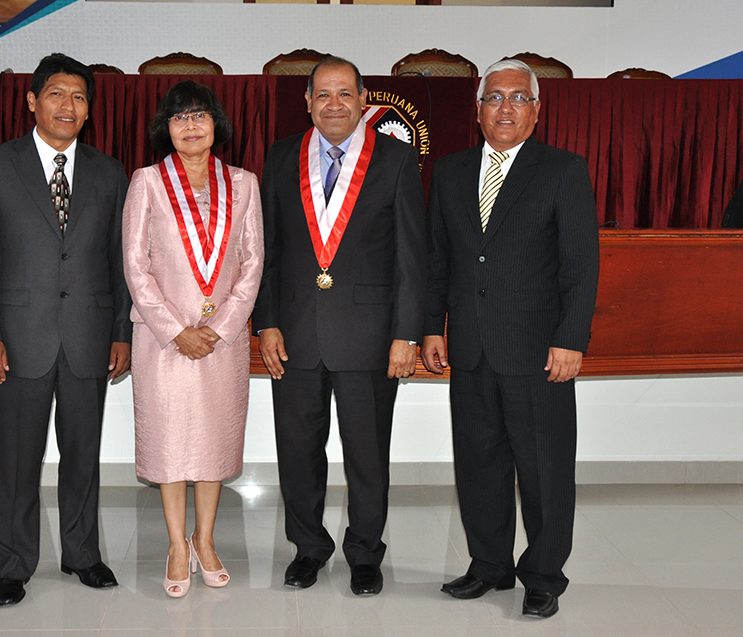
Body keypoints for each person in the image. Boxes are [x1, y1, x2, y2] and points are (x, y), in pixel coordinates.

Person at [421, 59, 600, 618]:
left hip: (537, 351)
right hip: (471, 347)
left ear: (537, 110)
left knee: (545, 470)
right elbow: (437, 260)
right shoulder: (450, 172)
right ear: (477, 110)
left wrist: (570, 338)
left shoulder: (563, 170)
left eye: (518, 99)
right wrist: (431, 326)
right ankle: (489, 566)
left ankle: (544, 574)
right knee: (478, 465)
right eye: (494, 98)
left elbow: (580, 265)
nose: (505, 108)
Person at [0, 52, 131, 607]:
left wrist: (121, 332)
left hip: (88, 337)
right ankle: (12, 565)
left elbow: (119, 260)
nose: (68, 105)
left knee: (83, 455)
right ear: (32, 101)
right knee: (16, 461)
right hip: (16, 340)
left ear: (89, 112)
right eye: (56, 93)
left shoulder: (110, 173)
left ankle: (83, 554)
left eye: (79, 97)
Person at [253, 56, 426, 596]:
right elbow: (267, 252)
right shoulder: (281, 158)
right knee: (298, 452)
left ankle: (365, 554)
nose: (334, 104)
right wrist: (267, 323)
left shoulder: (397, 160)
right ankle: (308, 549)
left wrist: (407, 334)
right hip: (296, 335)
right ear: (307, 101)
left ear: (363, 99)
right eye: (323, 95)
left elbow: (411, 257)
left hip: (371, 338)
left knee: (368, 455)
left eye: (344, 94)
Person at [122, 80, 264, 598]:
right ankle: (176, 545)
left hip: (221, 341)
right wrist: (177, 330)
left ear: (216, 124)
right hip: (164, 342)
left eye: (199, 115)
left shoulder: (244, 184)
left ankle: (204, 541)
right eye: (179, 117)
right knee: (170, 442)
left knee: (212, 441)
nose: (190, 125)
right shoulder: (147, 182)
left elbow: (252, 266)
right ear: (166, 127)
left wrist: (221, 327)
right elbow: (135, 266)